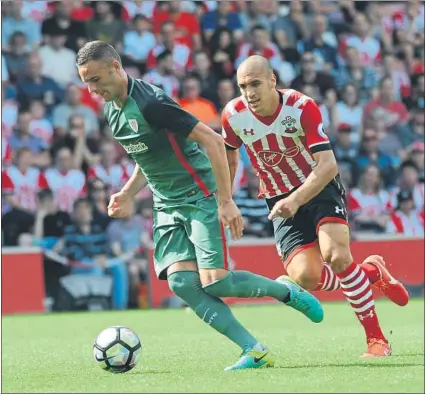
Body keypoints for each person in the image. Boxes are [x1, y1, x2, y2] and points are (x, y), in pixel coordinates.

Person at [76, 40, 324, 371]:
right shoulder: (112, 109)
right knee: (181, 282)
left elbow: (212, 140)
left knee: (216, 281)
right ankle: (254, 349)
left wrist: (226, 201)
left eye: (95, 79)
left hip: (199, 195)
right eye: (86, 82)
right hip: (166, 203)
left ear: (115, 68)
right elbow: (146, 157)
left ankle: (284, 291)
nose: (92, 89)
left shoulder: (152, 102)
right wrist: (127, 192)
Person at [222, 55, 409, 358]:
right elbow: (228, 157)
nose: (249, 92)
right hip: (278, 197)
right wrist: (226, 200)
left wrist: (295, 200)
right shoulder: (233, 115)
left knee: (336, 256)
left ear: (273, 81)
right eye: (243, 86)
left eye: (255, 83)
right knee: (306, 277)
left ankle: (376, 340)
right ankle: (372, 273)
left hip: (318, 186)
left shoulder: (301, 107)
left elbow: (328, 164)